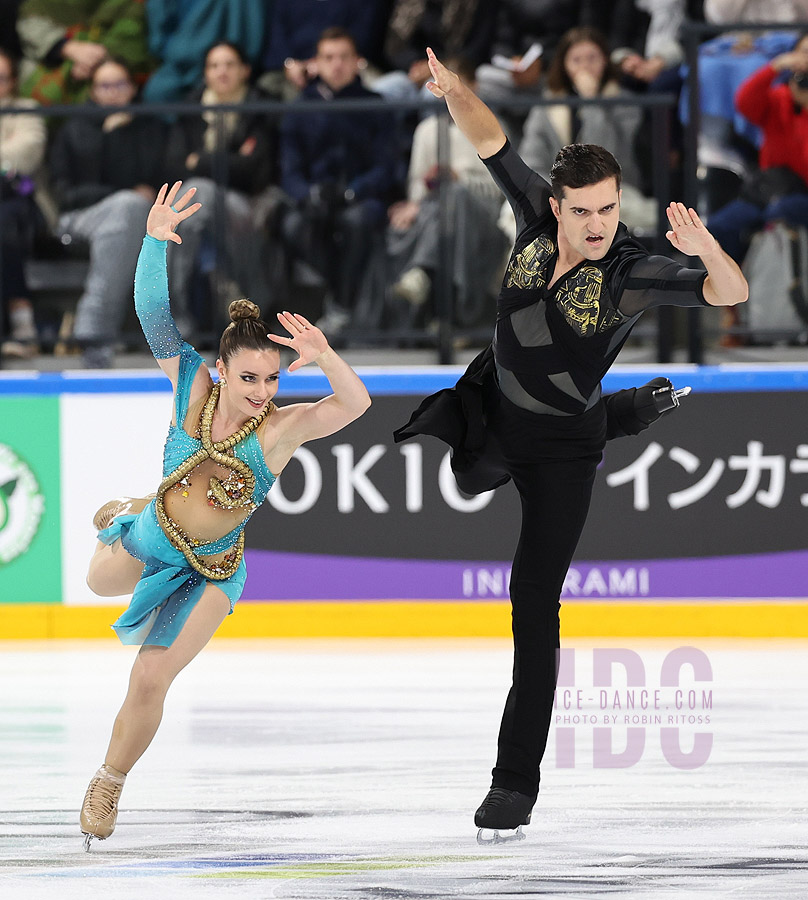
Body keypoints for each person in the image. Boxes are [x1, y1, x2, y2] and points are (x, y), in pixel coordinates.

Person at [394, 50, 747, 841]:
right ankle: (616, 412)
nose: (597, 225)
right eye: (583, 210)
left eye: (609, 209)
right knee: (468, 471)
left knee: (532, 606)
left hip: (562, 455)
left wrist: (709, 249)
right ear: (556, 205)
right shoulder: (531, 216)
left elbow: (731, 292)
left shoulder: (627, 271)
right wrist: (455, 93)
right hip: (493, 409)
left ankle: (513, 784)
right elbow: (491, 141)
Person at [79, 181, 371, 849]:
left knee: (151, 674)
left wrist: (325, 358)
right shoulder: (190, 383)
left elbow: (353, 407)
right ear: (221, 369)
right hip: (155, 533)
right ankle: (126, 512)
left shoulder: (280, 431)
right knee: (98, 581)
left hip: (213, 567)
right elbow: (153, 314)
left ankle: (109, 781)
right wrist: (153, 240)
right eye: (249, 379)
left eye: (272, 380)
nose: (262, 393)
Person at [278, 27, 397, 333]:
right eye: (329, 57)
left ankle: (342, 305)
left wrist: (351, 192)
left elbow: (386, 166)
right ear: (315, 62)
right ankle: (338, 296)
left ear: (357, 61)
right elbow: (289, 170)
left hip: (361, 198)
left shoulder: (375, 104)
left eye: (344, 57)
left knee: (358, 221)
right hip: (313, 200)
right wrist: (311, 195)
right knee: (293, 226)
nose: (337, 64)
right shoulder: (299, 108)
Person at [49, 57, 166, 367]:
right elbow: (66, 194)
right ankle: (100, 332)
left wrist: (120, 138)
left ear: (132, 88)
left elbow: (154, 180)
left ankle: (96, 334)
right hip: (80, 216)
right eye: (104, 86)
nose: (113, 93)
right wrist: (118, 191)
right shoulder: (74, 128)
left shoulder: (150, 127)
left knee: (134, 213)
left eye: (120, 85)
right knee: (128, 208)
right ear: (92, 90)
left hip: (141, 215)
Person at [163, 41, 273, 333]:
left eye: (229, 64)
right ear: (206, 73)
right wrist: (229, 162)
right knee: (195, 203)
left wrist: (200, 160)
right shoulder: (190, 110)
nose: (221, 71)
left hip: (248, 201)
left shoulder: (262, 108)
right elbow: (173, 166)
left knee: (196, 194)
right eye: (214, 65)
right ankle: (244, 313)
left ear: (245, 70)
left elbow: (255, 171)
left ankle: (175, 318)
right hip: (198, 212)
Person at [517, 26, 656, 233]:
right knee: (519, 213)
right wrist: (561, 193)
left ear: (605, 61)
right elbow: (531, 161)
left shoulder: (625, 104)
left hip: (614, 192)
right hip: (556, 195)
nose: (585, 67)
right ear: (564, 65)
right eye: (576, 60)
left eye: (592, 59)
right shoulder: (546, 107)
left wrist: (592, 102)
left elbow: (609, 157)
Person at [0, 47, 46, 359]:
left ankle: (19, 322)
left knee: (4, 219)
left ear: (14, 81)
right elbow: (10, 155)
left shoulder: (26, 108)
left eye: (1, 77)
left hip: (23, 205)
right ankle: (19, 318)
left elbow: (27, 154)